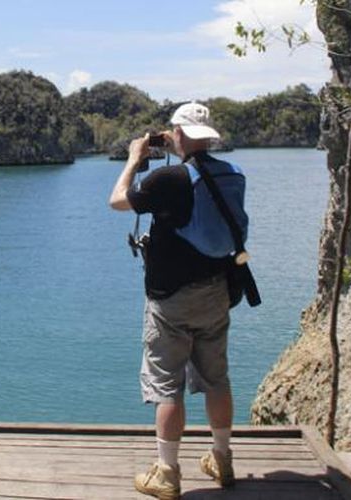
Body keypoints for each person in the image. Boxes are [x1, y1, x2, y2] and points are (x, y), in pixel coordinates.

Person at [108, 102, 249, 500]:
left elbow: (118, 201)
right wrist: (179, 151)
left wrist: (135, 159)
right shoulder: (231, 173)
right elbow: (197, 188)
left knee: (168, 386)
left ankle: (167, 472)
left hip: (171, 301)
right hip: (218, 291)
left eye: (174, 133)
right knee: (217, 378)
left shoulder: (169, 178)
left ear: (180, 135)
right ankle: (222, 460)